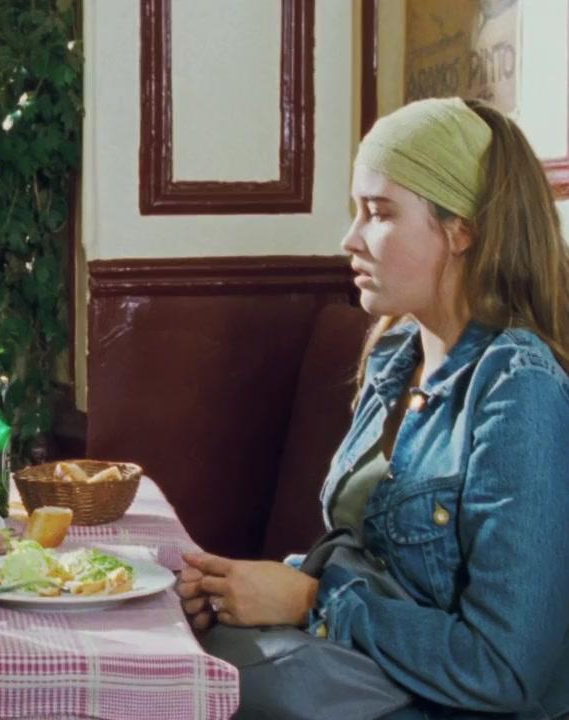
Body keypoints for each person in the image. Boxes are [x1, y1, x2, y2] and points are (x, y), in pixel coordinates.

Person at [176, 97, 569, 718]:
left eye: (379, 213)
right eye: (355, 210)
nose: (350, 238)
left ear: (461, 229)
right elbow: (379, 566)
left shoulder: (518, 387)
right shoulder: (393, 354)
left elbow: (504, 669)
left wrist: (311, 601)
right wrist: (241, 589)